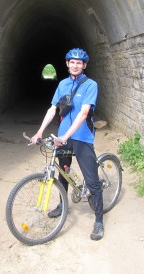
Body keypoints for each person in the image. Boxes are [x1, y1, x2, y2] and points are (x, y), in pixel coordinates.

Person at [30, 48, 104, 241]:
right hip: (63, 135)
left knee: (92, 180)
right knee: (63, 171)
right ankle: (63, 205)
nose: (75, 65)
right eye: (72, 62)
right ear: (67, 64)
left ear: (84, 65)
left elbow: (84, 113)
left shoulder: (91, 85)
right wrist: (40, 131)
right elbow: (53, 109)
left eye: (79, 63)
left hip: (82, 137)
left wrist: (67, 136)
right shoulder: (62, 84)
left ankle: (98, 220)